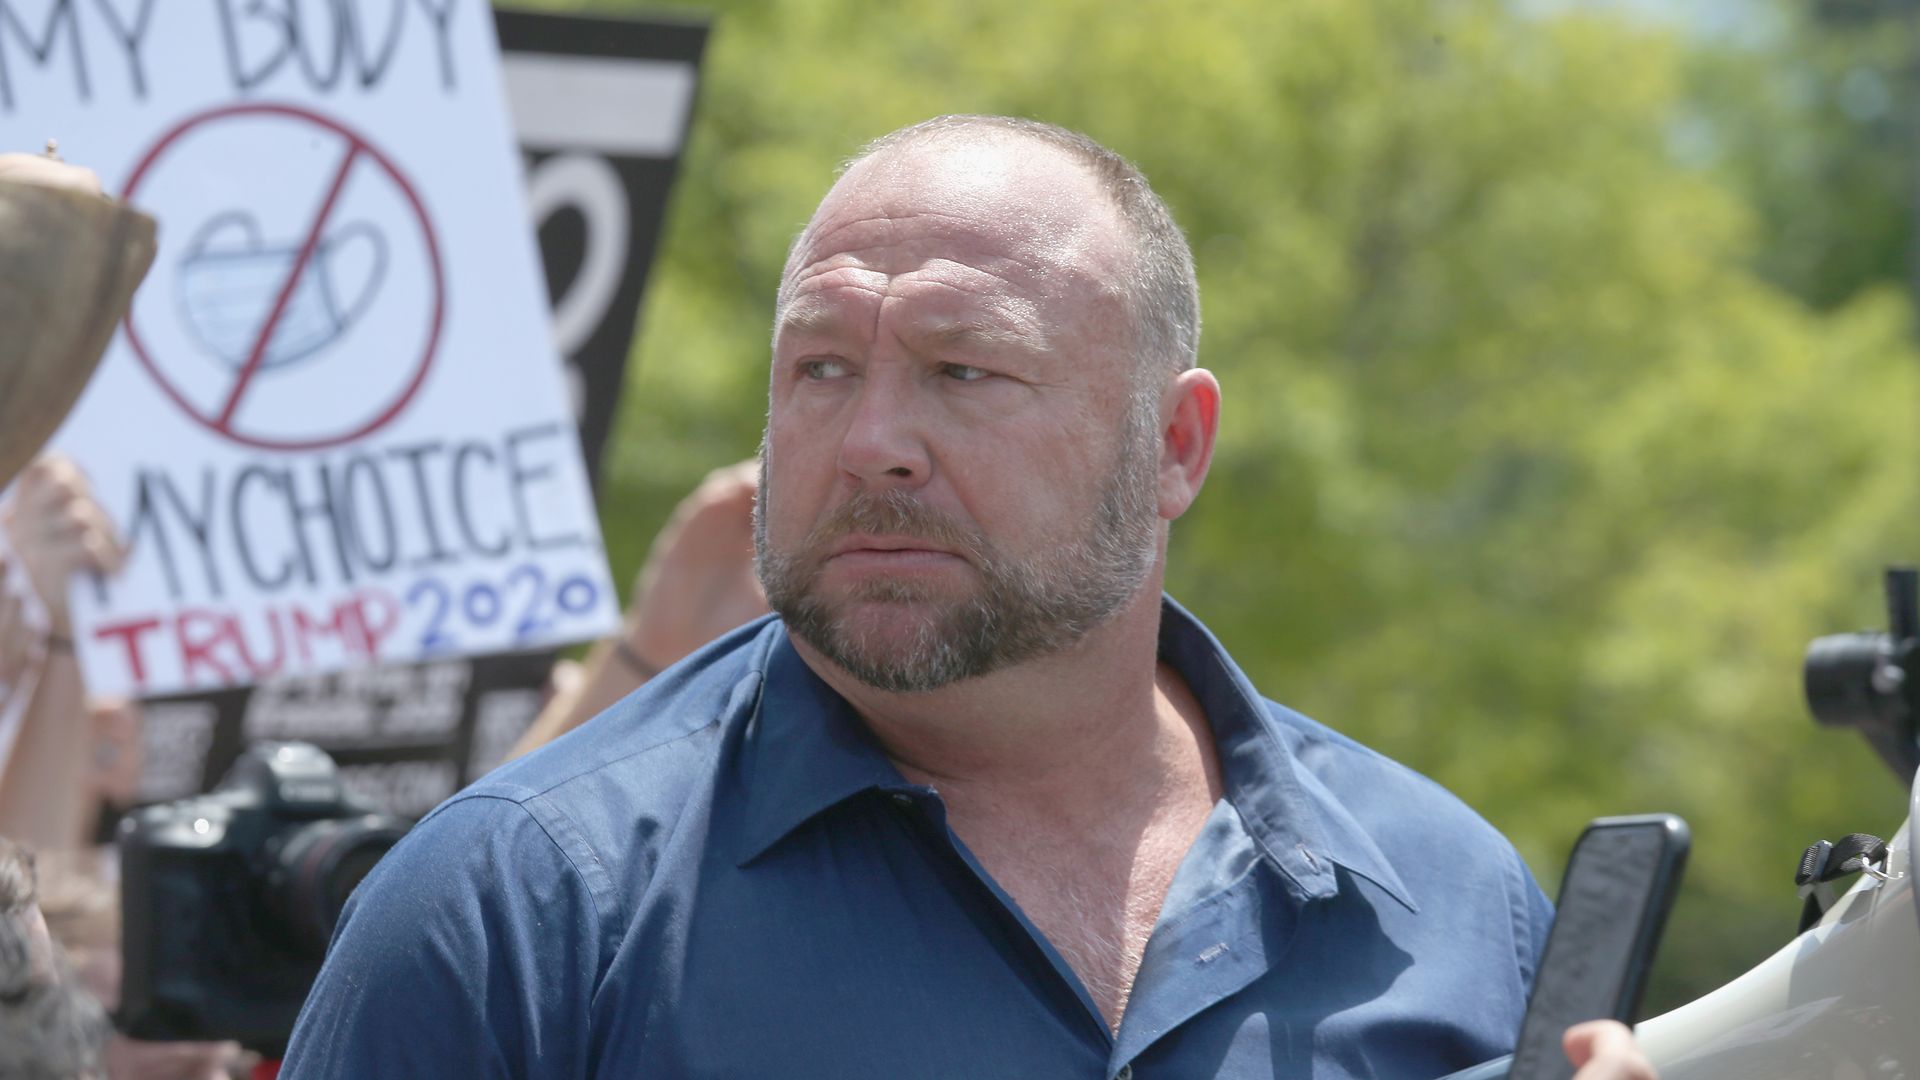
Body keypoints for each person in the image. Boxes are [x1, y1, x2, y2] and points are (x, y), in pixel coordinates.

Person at [282, 116, 1655, 1078]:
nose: (871, 437)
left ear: (1172, 447)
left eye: (964, 372)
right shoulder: (509, 912)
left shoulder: (1451, 904)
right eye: (819, 369)